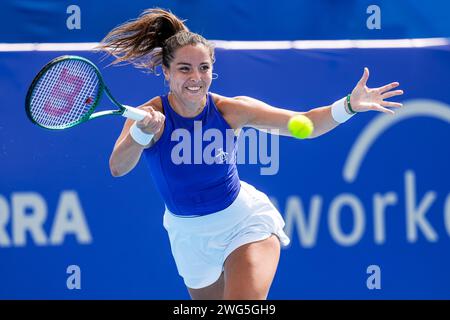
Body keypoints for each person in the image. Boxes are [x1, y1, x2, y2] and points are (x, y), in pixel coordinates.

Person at [99, 8, 403, 300]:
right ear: (166, 73)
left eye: (204, 68)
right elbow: (117, 167)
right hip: (187, 236)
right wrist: (142, 134)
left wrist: (349, 105)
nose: (196, 77)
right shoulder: (146, 115)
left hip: (243, 223)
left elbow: (306, 125)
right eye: (184, 68)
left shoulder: (232, 110)